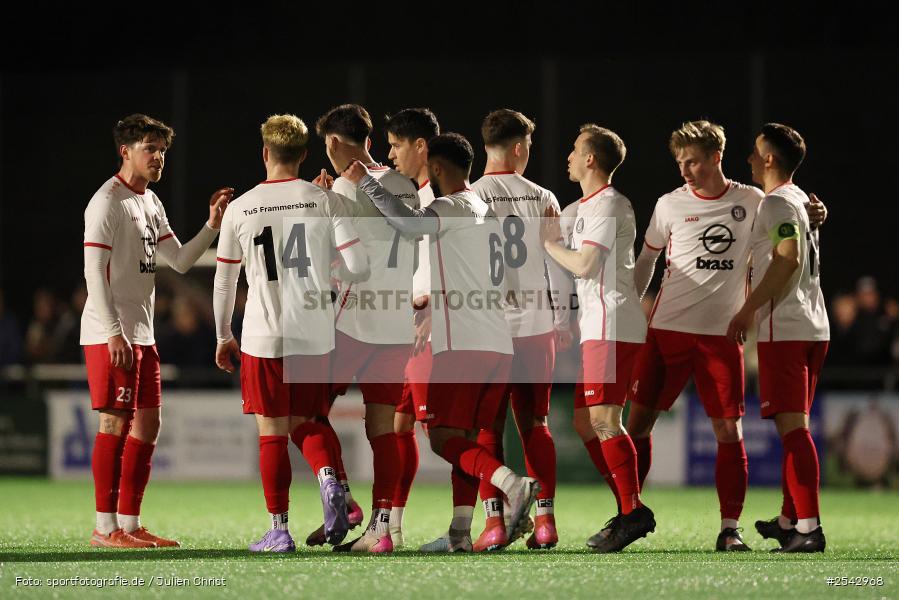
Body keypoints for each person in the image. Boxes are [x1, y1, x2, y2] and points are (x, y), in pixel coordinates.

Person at [627, 120, 827, 551]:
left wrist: (812, 215)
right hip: (666, 331)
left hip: (720, 335)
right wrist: (629, 307)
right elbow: (646, 260)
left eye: (693, 161)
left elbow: (786, 219)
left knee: (728, 432)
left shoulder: (753, 200)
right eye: (680, 162)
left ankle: (729, 528)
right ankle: (629, 511)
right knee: (636, 425)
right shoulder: (668, 204)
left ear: (716, 157)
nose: (685, 170)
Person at [343, 132, 540, 552]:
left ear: (436, 168)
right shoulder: (487, 210)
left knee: (440, 437)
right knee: (465, 436)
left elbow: (408, 224)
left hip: (462, 344)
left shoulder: (448, 207)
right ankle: (459, 533)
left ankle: (513, 485)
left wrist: (366, 182)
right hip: (498, 343)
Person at [213, 114, 368, 552]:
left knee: (272, 433)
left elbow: (224, 282)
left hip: (264, 335)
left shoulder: (242, 207)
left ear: (265, 153)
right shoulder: (325, 200)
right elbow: (359, 268)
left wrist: (224, 335)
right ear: (303, 154)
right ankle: (331, 482)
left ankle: (278, 530)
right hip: (314, 334)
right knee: (308, 423)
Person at [82, 114, 233, 548]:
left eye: (163, 150)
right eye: (151, 148)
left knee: (148, 424)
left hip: (142, 334)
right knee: (114, 422)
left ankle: (129, 523)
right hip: (110, 333)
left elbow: (181, 261)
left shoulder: (150, 202)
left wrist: (212, 225)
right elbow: (93, 272)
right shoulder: (106, 201)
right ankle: (104, 526)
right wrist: (113, 333)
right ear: (125, 151)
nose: (159, 157)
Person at [542, 124, 655, 553]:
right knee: (584, 422)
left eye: (574, 150)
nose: (568, 157)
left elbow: (586, 264)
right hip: (596, 325)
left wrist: (549, 244)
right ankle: (629, 508)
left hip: (611, 324)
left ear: (591, 159)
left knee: (606, 421)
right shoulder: (580, 208)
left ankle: (631, 512)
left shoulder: (611, 205)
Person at [313, 104, 419, 552]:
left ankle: (343, 497)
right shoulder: (405, 184)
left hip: (352, 319)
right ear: (371, 141)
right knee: (384, 428)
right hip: (398, 322)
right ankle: (381, 527)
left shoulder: (342, 185)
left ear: (334, 144)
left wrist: (324, 203)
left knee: (307, 412)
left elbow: (326, 255)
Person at [469, 109, 572, 551]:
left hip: (487, 326)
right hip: (536, 325)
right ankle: (545, 522)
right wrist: (563, 320)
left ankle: (494, 524)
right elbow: (559, 263)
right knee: (536, 423)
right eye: (528, 147)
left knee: (486, 426)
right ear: (517, 148)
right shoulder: (544, 196)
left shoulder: (469, 196)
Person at [728, 123, 829, 552]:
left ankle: (808, 528)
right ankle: (790, 520)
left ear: (770, 159)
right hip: (812, 326)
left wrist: (748, 311)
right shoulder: (802, 200)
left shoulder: (774, 203)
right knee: (796, 428)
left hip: (785, 329)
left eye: (754, 152)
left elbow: (786, 259)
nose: (749, 158)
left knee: (792, 431)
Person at [383, 108, 441, 546]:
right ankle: (393, 527)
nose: (390, 154)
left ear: (420, 147)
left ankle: (479, 518)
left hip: (436, 329)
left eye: (396, 145)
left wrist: (434, 308)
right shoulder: (416, 196)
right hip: (410, 326)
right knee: (400, 426)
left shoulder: (440, 199)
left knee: (445, 434)